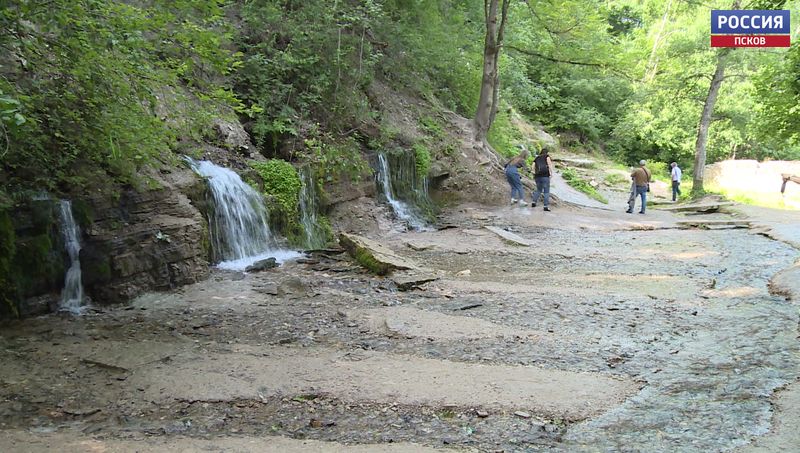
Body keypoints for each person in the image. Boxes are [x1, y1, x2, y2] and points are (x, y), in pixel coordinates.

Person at [531, 147, 554, 211]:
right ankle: (545, 206)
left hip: (537, 176)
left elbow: (532, 166)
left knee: (538, 190)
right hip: (545, 176)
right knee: (546, 191)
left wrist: (533, 173)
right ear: (547, 152)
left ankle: (534, 202)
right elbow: (549, 165)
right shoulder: (547, 156)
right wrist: (551, 173)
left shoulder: (537, 158)